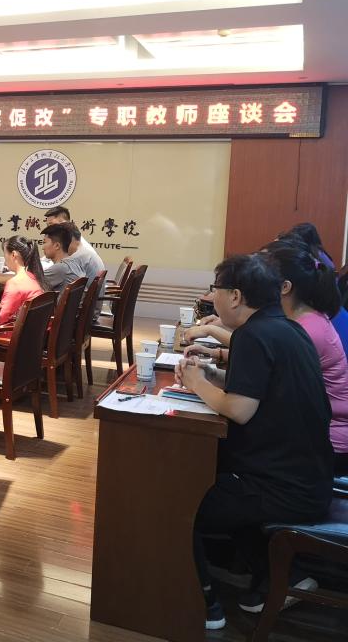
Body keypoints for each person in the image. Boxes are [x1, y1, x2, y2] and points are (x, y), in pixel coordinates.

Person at [176, 253, 332, 630]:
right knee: (218, 487)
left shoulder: (253, 334)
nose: (212, 297)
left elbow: (240, 410)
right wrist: (213, 375)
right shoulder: (287, 328)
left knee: (180, 505)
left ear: (235, 296)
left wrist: (196, 383)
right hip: (309, 479)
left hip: (281, 488)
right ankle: (287, 578)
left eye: (216, 289)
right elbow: (260, 389)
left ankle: (202, 605)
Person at [267, 243, 348, 475]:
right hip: (316, 433)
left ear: (285, 287)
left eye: (264, 277)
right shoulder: (306, 319)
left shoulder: (306, 330)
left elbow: (266, 387)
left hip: (329, 443)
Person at [40, 223, 106, 320]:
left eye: (44, 242)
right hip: (73, 320)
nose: (42, 247)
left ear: (57, 245)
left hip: (62, 322)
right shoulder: (73, 264)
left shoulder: (61, 268)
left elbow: (32, 284)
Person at [0, 236, 47, 328]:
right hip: (33, 330)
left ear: (13, 255)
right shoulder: (34, 277)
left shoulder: (15, 283)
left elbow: (0, 319)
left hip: (16, 333)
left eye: (5, 254)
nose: (5, 259)